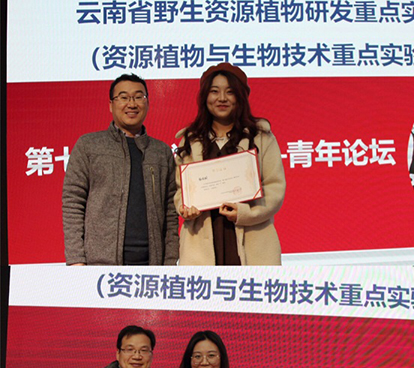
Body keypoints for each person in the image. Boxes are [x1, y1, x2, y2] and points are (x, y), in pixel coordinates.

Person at [174, 63, 286, 265]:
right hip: (201, 244)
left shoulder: (261, 137)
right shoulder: (190, 141)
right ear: (205, 96)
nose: (222, 98)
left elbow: (274, 187)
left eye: (230, 92)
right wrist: (185, 208)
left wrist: (245, 213)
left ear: (241, 97)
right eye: (214, 91)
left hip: (253, 242)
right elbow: (181, 190)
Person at [63, 73, 179, 265]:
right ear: (111, 105)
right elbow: (73, 202)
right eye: (123, 97)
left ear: (147, 103)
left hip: (152, 267)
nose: (131, 104)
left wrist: (170, 262)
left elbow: (170, 213)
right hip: (99, 266)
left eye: (138, 97)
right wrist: (76, 259)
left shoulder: (161, 152)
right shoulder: (89, 146)